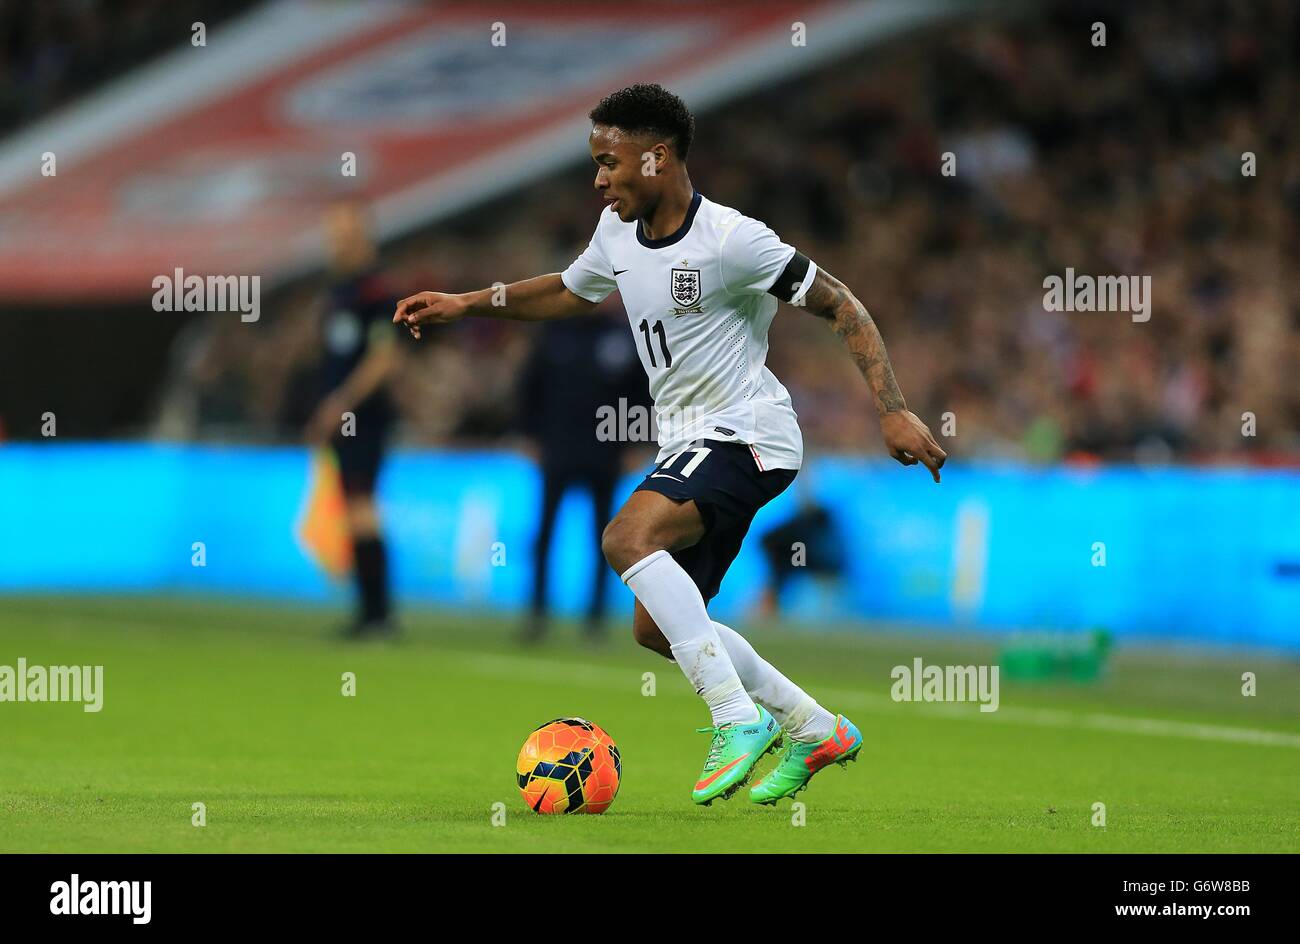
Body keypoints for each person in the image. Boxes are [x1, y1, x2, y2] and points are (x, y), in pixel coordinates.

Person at [394, 84, 946, 806]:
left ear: (656, 158)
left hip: (749, 432)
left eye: (608, 162)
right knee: (660, 628)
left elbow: (841, 303)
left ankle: (734, 719)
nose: (598, 179)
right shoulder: (617, 234)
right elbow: (569, 290)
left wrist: (893, 410)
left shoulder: (732, 240)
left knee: (626, 537)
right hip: (686, 441)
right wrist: (470, 301)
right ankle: (814, 727)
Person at [516, 308, 649, 643]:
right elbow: (531, 385)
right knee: (545, 535)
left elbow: (642, 392)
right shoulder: (554, 332)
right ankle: (537, 614)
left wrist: (637, 441)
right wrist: (527, 434)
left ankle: (595, 618)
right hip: (557, 449)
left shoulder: (624, 335)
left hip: (606, 452)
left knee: (605, 540)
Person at [306, 201, 401, 640]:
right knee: (353, 508)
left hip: (365, 418)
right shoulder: (340, 293)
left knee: (363, 509)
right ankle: (369, 612)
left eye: (341, 236)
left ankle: (378, 615)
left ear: (361, 238)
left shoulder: (377, 293)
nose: (333, 245)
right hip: (343, 418)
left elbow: (384, 358)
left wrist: (341, 402)